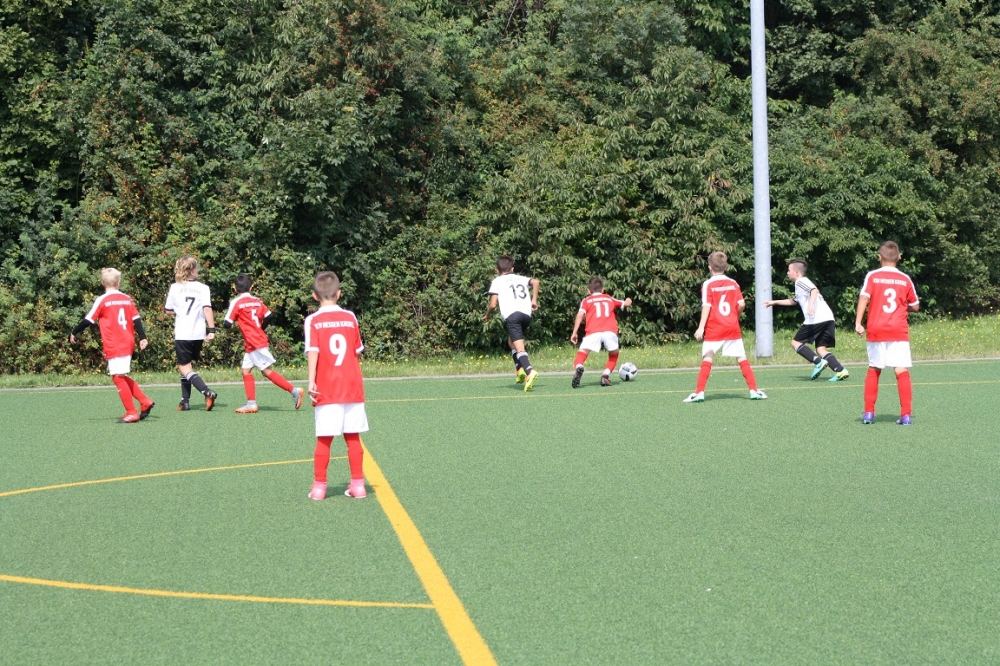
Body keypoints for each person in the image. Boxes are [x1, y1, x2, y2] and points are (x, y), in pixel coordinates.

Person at [305, 271, 368, 500]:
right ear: (339, 294)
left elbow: (313, 350)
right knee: (353, 437)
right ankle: (358, 486)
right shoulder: (350, 317)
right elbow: (356, 351)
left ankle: (319, 488)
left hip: (327, 386)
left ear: (315, 296)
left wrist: (311, 380)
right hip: (352, 385)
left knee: (324, 438)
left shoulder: (313, 320)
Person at [70, 268, 155, 423]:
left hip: (114, 343)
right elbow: (136, 319)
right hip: (128, 341)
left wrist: (74, 332)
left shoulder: (102, 300)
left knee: (117, 377)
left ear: (102, 283)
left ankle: (131, 412)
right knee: (120, 375)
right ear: (118, 282)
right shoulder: (127, 299)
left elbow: (89, 320)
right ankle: (144, 401)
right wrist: (142, 337)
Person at [683, 251, 766, 402]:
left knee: (708, 357)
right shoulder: (733, 283)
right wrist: (735, 317)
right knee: (741, 357)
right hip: (732, 327)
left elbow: (707, 306)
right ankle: (754, 390)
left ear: (709, 268)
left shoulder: (708, 284)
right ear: (726, 267)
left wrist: (701, 327)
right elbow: (741, 304)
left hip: (714, 328)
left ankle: (699, 392)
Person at [854, 241, 919, 425]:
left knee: (874, 368)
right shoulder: (905, 279)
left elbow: (864, 298)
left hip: (876, 328)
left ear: (879, 257)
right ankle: (906, 415)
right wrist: (902, 305)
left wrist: (858, 322)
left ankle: (869, 413)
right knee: (901, 369)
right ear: (899, 257)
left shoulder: (873, 276)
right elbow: (915, 305)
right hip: (898, 329)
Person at [223, 274, 304, 413]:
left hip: (253, 342)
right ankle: (251, 403)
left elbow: (227, 323)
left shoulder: (236, 302)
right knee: (245, 370)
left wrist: (238, 323)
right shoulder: (257, 301)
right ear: (251, 287)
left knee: (266, 371)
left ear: (235, 289)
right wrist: (260, 328)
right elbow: (269, 316)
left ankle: (294, 391)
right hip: (256, 340)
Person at [764, 259, 849, 381]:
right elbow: (794, 301)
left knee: (795, 343)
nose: (787, 273)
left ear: (797, 272)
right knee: (821, 349)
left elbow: (814, 290)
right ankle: (841, 370)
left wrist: (810, 304)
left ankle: (818, 362)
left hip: (816, 319)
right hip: (828, 318)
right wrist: (775, 302)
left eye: (789, 270)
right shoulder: (800, 285)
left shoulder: (800, 281)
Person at [164, 255, 218, 411]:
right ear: (193, 270)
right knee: (187, 366)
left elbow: (168, 310)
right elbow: (207, 309)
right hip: (198, 333)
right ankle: (185, 401)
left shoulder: (175, 287)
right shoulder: (203, 288)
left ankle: (206, 391)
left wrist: (178, 311)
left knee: (184, 367)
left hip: (183, 332)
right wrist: (212, 330)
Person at [483, 255, 540, 391]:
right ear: (512, 269)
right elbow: (536, 282)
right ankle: (519, 369)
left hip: (512, 316)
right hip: (526, 315)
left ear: (497, 270)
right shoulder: (520, 278)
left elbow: (493, 304)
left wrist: (488, 315)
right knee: (511, 341)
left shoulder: (497, 281)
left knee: (520, 348)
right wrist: (534, 300)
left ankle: (529, 371)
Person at [570, 277, 633, 387]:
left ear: (588, 291)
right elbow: (626, 303)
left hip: (593, 332)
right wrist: (629, 299)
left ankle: (579, 366)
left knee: (582, 353)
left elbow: (580, 315)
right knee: (614, 355)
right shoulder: (609, 298)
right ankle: (605, 376)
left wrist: (574, 332)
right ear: (603, 290)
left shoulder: (586, 301)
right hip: (610, 331)